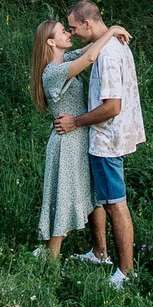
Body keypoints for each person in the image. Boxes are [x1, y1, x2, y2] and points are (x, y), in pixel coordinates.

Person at [52, 0, 144, 287]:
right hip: (107, 137)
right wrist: (113, 28)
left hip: (108, 140)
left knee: (116, 204)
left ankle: (126, 272)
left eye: (74, 27)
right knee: (99, 198)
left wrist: (76, 122)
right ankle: (99, 252)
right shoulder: (110, 44)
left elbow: (112, 106)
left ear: (88, 23)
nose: (73, 32)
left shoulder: (107, 55)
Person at [28, 16, 128, 263]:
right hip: (68, 142)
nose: (69, 34)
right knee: (65, 196)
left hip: (79, 137)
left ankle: (99, 252)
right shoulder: (53, 72)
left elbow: (87, 50)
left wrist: (106, 35)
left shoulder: (67, 60)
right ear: (51, 42)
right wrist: (113, 29)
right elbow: (91, 57)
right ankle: (51, 257)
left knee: (90, 195)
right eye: (63, 31)